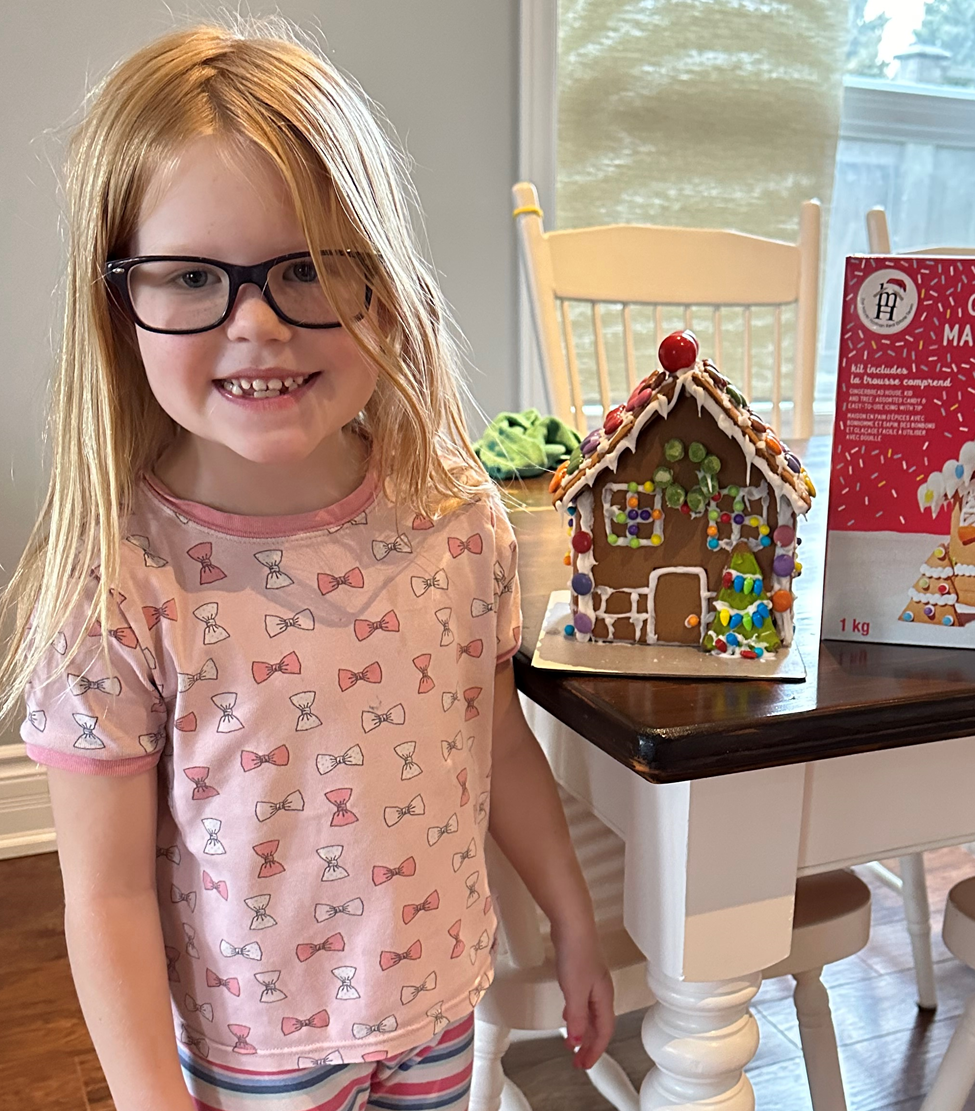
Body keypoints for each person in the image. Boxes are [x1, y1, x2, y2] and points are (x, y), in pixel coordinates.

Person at [2, 20, 613, 1111]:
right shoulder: (118, 583)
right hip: (250, 1055)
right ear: (118, 302)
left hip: (435, 1010)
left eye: (310, 268)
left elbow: (495, 740)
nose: (257, 324)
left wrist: (572, 918)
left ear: (381, 284)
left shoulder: (454, 518)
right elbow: (102, 895)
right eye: (192, 276)